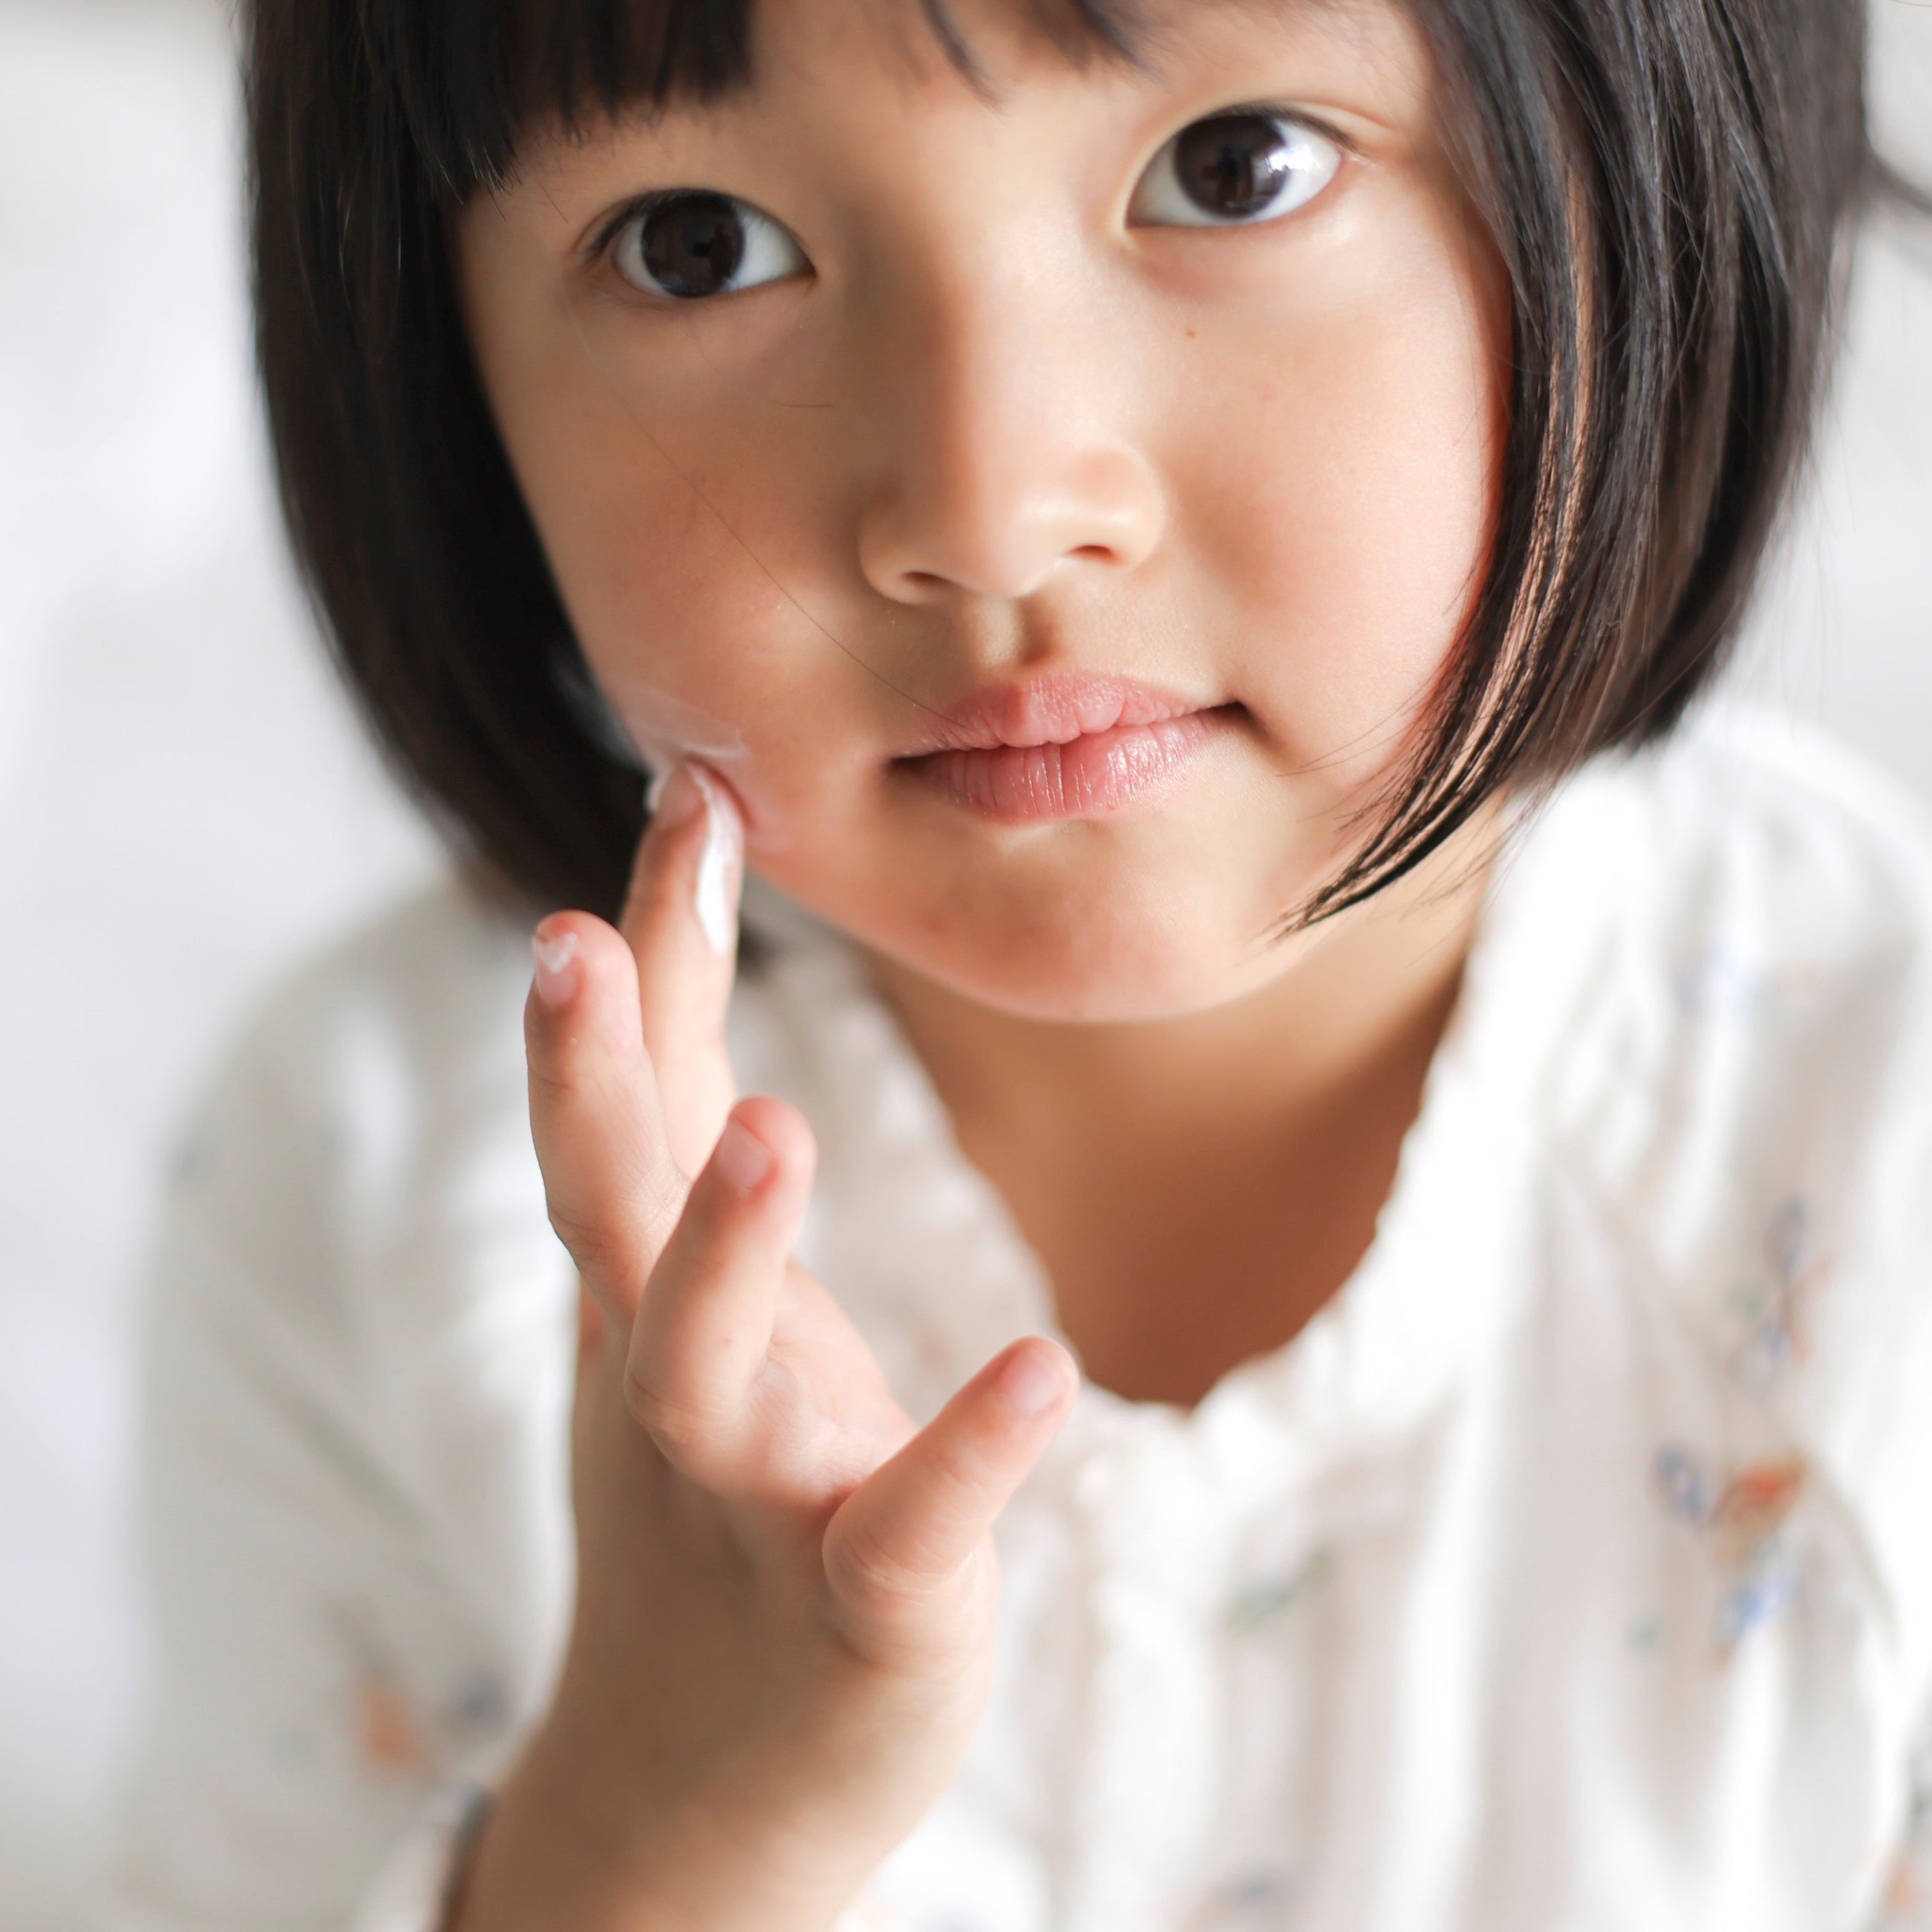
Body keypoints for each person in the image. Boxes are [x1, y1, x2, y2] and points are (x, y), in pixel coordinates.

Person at [107, 0, 1932, 1925]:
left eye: (1233, 170)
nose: (987, 512)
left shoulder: (1880, 1157)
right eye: (699, 246)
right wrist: (648, 1824)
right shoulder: (370, 1194)